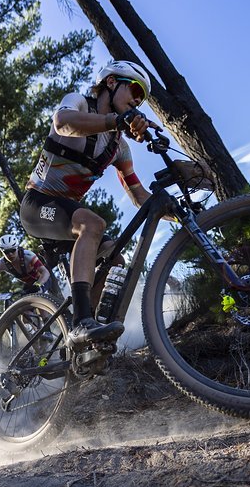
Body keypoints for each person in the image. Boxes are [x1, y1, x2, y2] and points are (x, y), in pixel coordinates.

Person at [18, 58, 154, 350]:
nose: (137, 101)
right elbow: (62, 123)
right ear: (110, 82)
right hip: (37, 205)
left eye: (141, 99)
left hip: (66, 218)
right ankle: (81, 324)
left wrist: (179, 212)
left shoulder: (119, 146)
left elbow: (139, 195)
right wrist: (116, 120)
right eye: (134, 90)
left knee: (114, 256)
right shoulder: (78, 102)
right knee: (92, 223)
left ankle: (84, 344)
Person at [0, 234, 52, 302]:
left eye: (12, 250)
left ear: (17, 248)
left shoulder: (27, 255)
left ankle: (47, 319)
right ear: (2, 252)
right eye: (6, 252)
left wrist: (38, 284)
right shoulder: (1, 264)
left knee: (37, 297)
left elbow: (45, 272)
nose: (10, 254)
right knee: (23, 311)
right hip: (29, 284)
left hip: (42, 279)